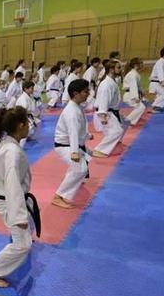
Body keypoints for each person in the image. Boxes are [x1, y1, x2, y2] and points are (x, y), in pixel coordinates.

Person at [0, 107, 39, 288]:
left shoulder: (6, 141)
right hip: (7, 198)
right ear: (21, 125)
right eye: (28, 123)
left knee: (26, 225)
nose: (30, 127)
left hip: (6, 194)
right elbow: (12, 185)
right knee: (23, 245)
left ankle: (21, 229)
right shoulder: (11, 151)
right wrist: (19, 216)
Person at [52, 79, 91, 209]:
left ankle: (66, 183)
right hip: (64, 146)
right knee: (81, 168)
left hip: (71, 144)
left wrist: (88, 135)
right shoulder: (71, 111)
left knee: (83, 163)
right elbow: (73, 132)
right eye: (85, 91)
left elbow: (80, 128)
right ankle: (58, 196)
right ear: (76, 93)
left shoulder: (77, 107)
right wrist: (74, 152)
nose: (88, 93)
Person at [92, 60, 126, 158]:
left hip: (111, 111)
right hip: (105, 113)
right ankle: (99, 150)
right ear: (111, 70)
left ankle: (116, 144)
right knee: (117, 131)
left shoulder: (111, 81)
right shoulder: (107, 84)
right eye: (118, 67)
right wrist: (102, 116)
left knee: (124, 124)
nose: (121, 69)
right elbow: (104, 100)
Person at [123, 58, 148, 124]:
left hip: (131, 94)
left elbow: (138, 86)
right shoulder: (132, 74)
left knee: (140, 107)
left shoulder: (135, 73)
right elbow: (133, 86)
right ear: (136, 65)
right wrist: (135, 97)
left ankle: (132, 121)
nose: (142, 65)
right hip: (130, 95)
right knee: (141, 107)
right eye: (141, 63)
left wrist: (142, 92)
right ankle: (127, 120)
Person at [150, 46, 164, 112]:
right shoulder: (160, 62)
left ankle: (156, 106)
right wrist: (163, 81)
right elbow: (161, 72)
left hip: (158, 82)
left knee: (163, 93)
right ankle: (153, 106)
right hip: (156, 82)